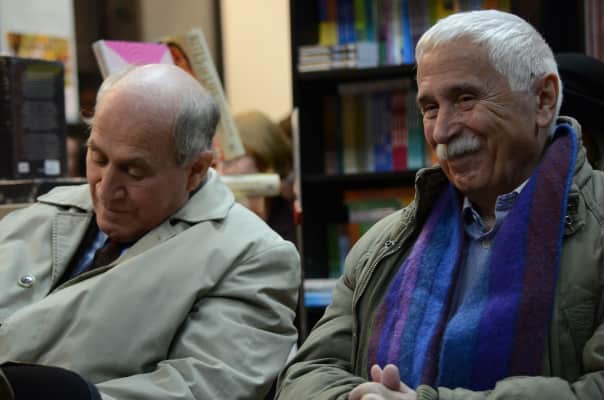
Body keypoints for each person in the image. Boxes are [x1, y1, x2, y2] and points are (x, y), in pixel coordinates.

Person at [276, 9, 604, 400]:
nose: (441, 131)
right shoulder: (384, 246)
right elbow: (304, 376)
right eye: (429, 108)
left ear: (544, 100)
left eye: (465, 100)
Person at [0, 64, 300, 399]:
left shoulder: (251, 256)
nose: (106, 189)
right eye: (98, 158)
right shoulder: (43, 214)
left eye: (133, 171)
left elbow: (204, 386)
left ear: (196, 170)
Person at [220, 110, 297, 245]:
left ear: (263, 160)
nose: (222, 170)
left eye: (234, 158)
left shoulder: (291, 225)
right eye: (221, 160)